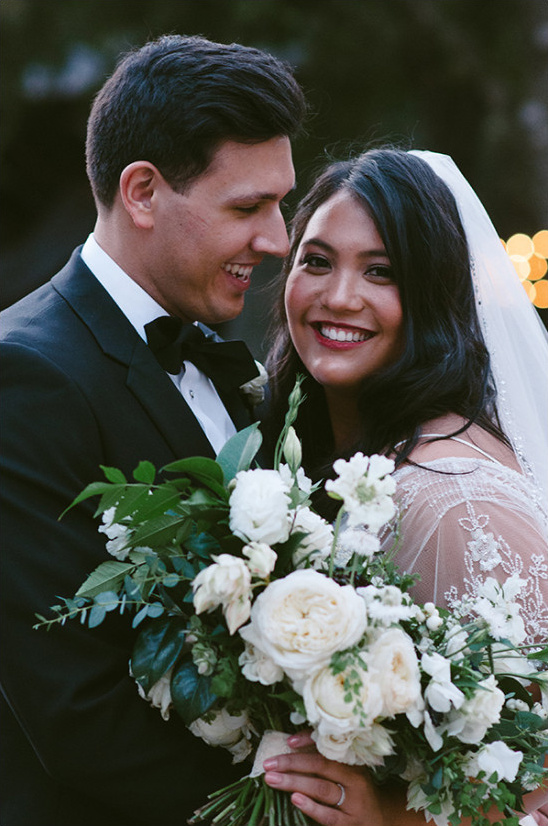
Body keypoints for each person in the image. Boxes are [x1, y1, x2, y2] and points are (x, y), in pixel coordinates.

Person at [0, 33, 305, 826]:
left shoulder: (220, 356)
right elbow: (76, 710)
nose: (277, 240)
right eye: (247, 208)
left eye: (280, 204)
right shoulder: (24, 375)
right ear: (141, 192)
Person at [262, 148, 548, 825]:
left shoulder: (455, 501)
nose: (338, 297)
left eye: (381, 272)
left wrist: (392, 818)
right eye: (318, 261)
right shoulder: (331, 458)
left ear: (433, 296)